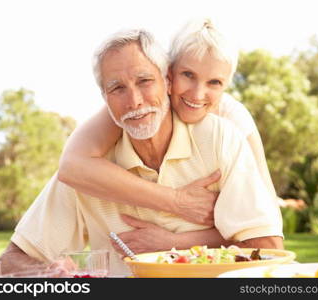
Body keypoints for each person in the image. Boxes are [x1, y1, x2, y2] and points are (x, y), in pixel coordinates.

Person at [0, 28, 283, 276]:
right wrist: (47, 274)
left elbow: (267, 248)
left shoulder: (221, 136)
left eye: (145, 81)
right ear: (104, 99)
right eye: (117, 88)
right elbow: (11, 261)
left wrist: (172, 245)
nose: (134, 101)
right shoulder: (87, 174)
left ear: (168, 82)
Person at [57, 19, 280, 252]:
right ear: (169, 75)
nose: (197, 94)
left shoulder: (230, 120)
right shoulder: (137, 107)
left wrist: (175, 243)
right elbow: (73, 165)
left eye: (214, 82)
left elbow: (266, 226)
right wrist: (177, 202)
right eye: (188, 75)